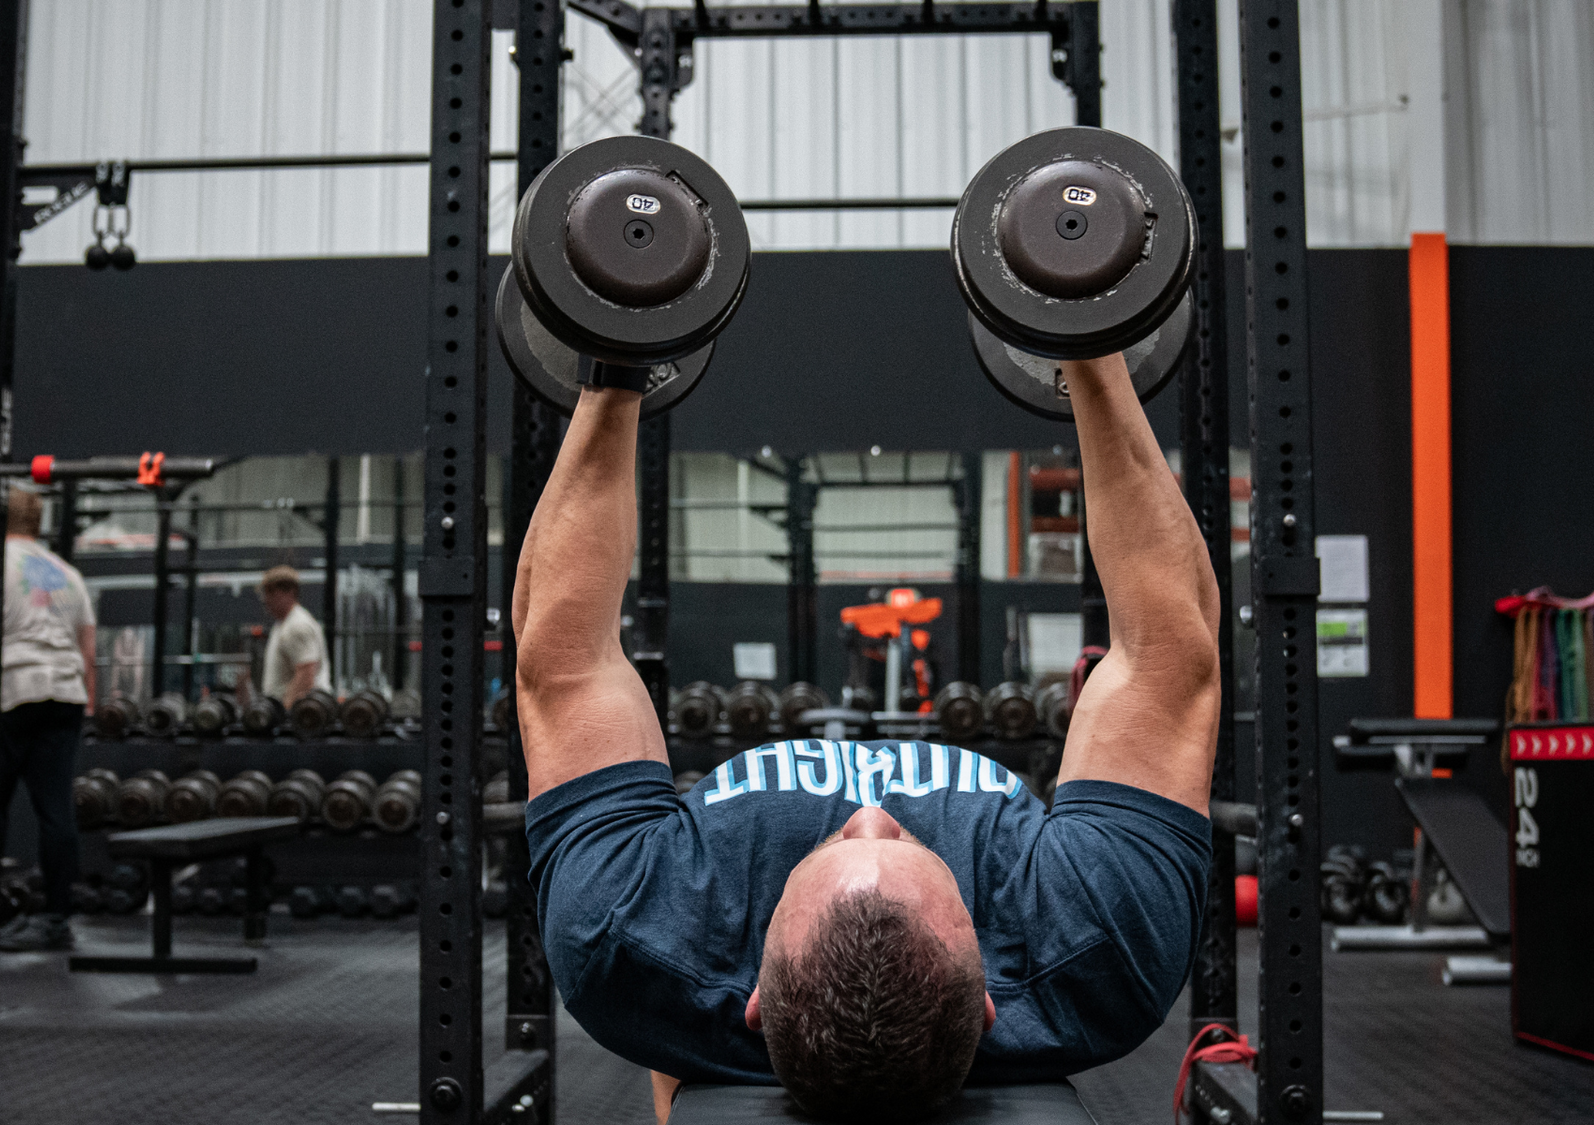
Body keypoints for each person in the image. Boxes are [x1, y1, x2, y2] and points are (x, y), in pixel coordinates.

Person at [514, 351, 1218, 1124]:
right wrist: (1093, 348)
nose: (872, 809)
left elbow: (564, 658)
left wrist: (613, 364)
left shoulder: (625, 927)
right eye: (912, 845)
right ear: (988, 1001)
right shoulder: (1100, 945)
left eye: (832, 842)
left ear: (753, 995)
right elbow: (1170, 654)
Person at [0, 485, 97, 952]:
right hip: (65, 695)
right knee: (55, 810)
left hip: (16, 693)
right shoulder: (69, 575)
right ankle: (56, 918)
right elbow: (89, 651)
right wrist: (85, 709)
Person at [258, 565, 332, 706]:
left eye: (271, 593)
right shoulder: (283, 624)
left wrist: (287, 713)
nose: (266, 600)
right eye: (265, 593)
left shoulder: (297, 625)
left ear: (290, 592)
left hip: (299, 716)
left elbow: (306, 673)